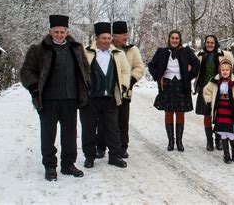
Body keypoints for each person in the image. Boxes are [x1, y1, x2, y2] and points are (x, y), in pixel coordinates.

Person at [20, 15, 90, 181]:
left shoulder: (76, 49)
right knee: (48, 134)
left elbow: (86, 70)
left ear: (67, 32)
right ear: (50, 31)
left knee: (70, 133)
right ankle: (50, 166)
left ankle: (68, 164)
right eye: (56, 31)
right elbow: (26, 72)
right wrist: (35, 89)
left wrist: (86, 85)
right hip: (48, 99)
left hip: (70, 99)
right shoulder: (38, 50)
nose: (59, 34)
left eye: (62, 32)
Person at [80, 22, 130, 169]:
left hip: (110, 98)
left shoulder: (118, 54)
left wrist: (124, 86)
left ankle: (115, 156)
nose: (107, 41)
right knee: (89, 129)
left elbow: (125, 72)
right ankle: (89, 157)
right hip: (91, 98)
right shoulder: (86, 53)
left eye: (109, 38)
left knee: (113, 128)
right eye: (104, 38)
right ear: (97, 38)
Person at [96, 21, 145, 159]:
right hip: (108, 93)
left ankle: (123, 147)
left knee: (122, 121)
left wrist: (130, 81)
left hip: (125, 92)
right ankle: (100, 147)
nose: (125, 37)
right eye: (123, 35)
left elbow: (139, 67)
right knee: (104, 121)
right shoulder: (107, 49)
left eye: (126, 34)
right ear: (114, 36)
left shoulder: (132, 50)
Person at [148, 30, 200, 152]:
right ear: (169, 39)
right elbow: (151, 66)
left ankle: (179, 142)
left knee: (180, 113)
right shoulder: (161, 52)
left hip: (182, 85)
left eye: (177, 38)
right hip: (167, 86)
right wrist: (158, 76)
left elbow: (197, 64)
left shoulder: (186, 51)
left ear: (180, 39)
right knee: (169, 112)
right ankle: (171, 142)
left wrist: (189, 75)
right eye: (173, 38)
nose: (175, 40)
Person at [203, 59, 234, 164]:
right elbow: (206, 91)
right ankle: (226, 154)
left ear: (231, 71)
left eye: (227, 70)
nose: (225, 72)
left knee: (230, 133)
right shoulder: (214, 81)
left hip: (231, 111)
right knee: (222, 133)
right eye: (223, 70)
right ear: (220, 70)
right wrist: (210, 101)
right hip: (220, 110)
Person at [194, 35, 234, 151]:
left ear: (215, 43)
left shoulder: (225, 55)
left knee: (219, 114)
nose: (209, 44)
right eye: (208, 42)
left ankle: (218, 140)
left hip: (220, 89)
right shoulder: (199, 56)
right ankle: (209, 141)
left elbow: (231, 71)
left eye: (212, 42)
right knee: (207, 115)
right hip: (204, 89)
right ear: (205, 43)